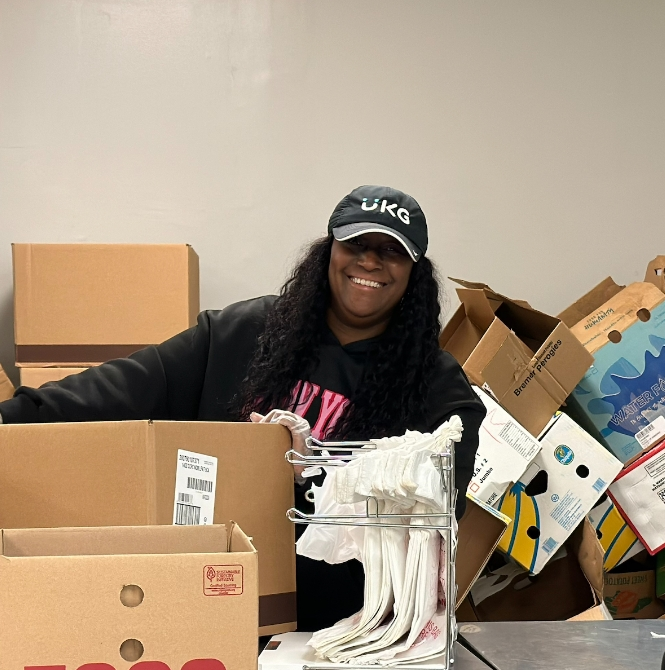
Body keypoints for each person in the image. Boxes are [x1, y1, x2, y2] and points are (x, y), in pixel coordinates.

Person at [0, 184, 485, 631]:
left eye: (392, 252)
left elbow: (434, 524)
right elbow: (123, 386)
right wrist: (15, 416)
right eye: (356, 244)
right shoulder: (242, 334)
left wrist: (312, 473)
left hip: (339, 635)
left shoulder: (439, 390)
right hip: (208, 609)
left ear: (413, 272)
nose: (370, 262)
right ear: (329, 252)